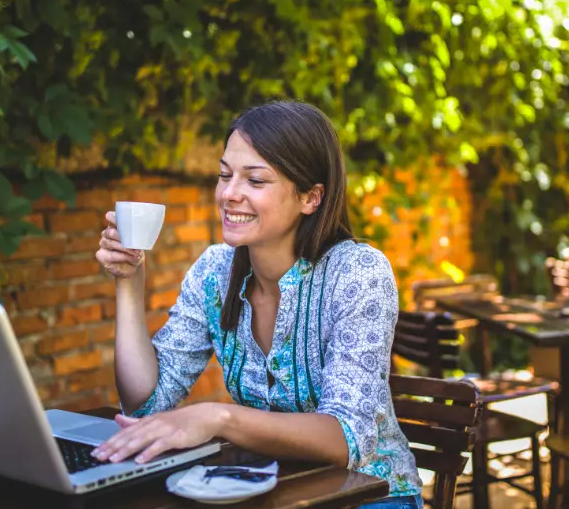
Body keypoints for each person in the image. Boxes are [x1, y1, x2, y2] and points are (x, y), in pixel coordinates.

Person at [93, 101, 423, 508]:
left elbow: (346, 439)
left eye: (255, 180)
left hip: (369, 496)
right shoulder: (215, 271)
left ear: (310, 197)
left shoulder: (357, 273)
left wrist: (219, 418)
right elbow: (145, 403)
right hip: (271, 490)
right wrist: (129, 282)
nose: (230, 194)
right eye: (224, 175)